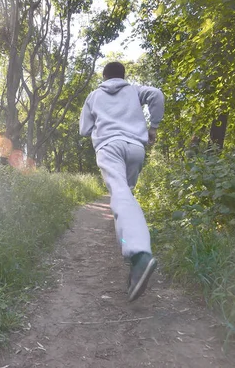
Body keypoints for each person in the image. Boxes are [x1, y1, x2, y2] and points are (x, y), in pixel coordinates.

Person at [79, 61, 165, 302]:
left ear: (104, 77)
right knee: (125, 196)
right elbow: (156, 95)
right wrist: (153, 126)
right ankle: (131, 259)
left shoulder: (94, 95)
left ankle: (139, 256)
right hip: (136, 147)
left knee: (120, 196)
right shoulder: (134, 90)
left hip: (109, 147)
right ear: (123, 76)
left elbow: (84, 129)